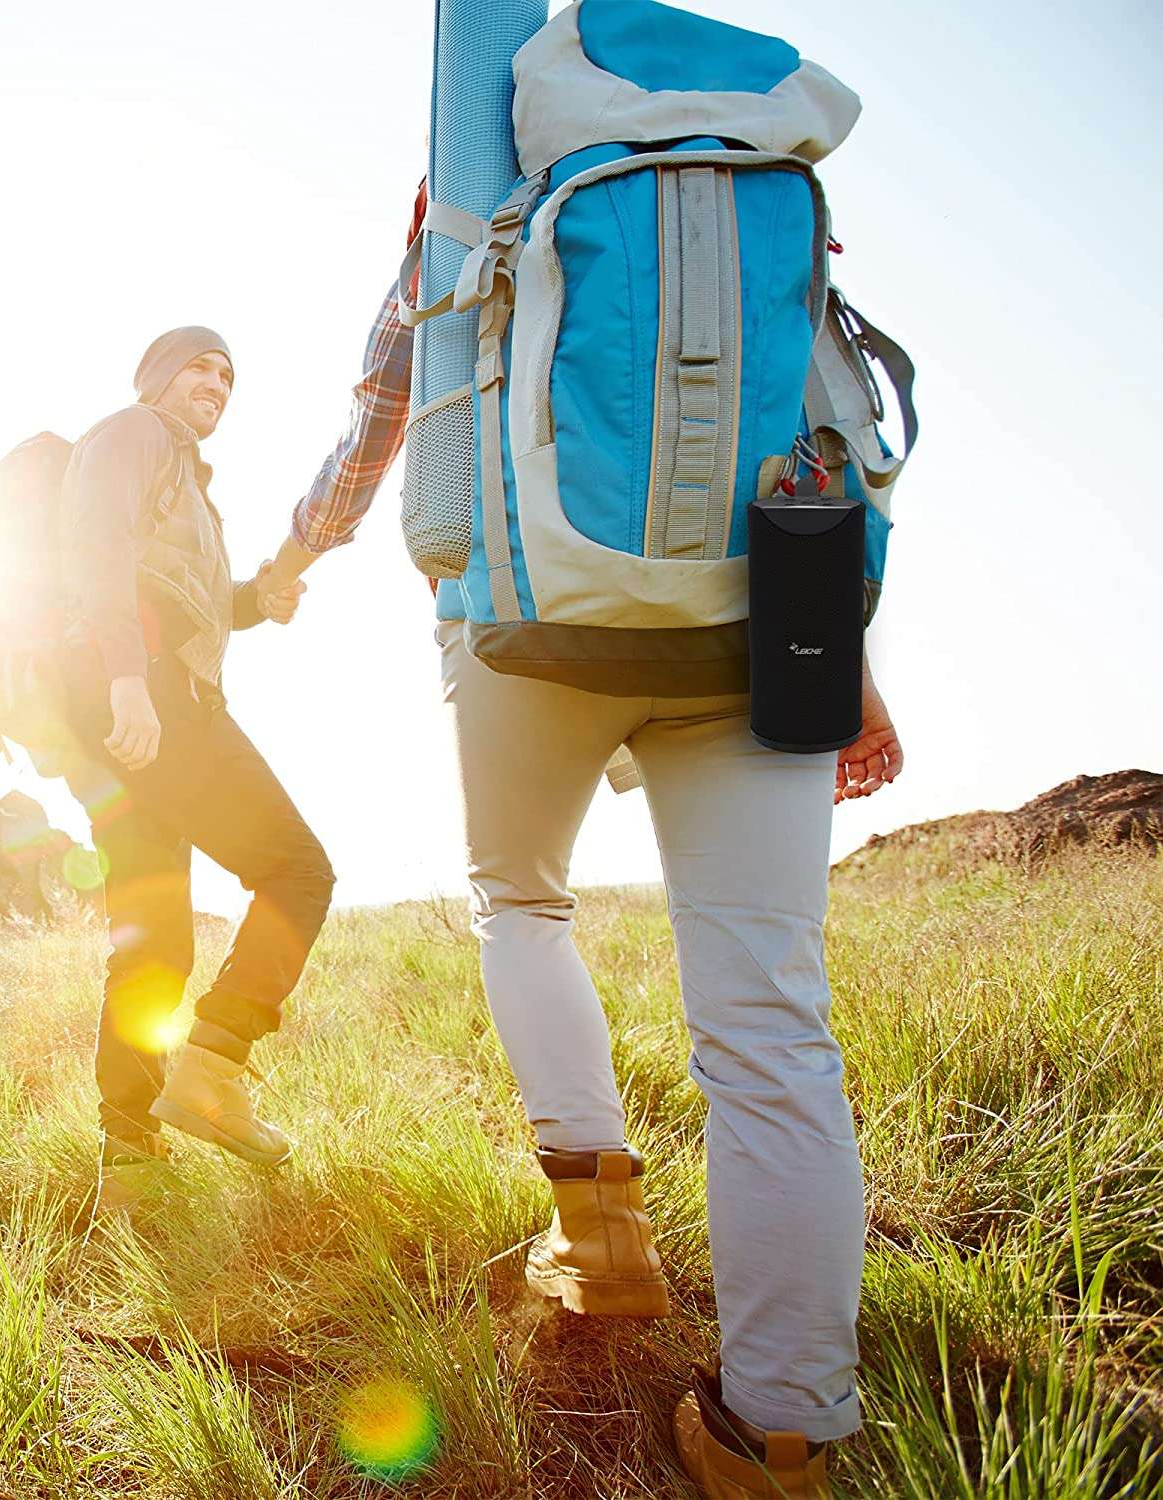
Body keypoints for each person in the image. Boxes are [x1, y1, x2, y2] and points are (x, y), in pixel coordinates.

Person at [259, 188, 904, 1497]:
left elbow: (384, 413)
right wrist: (856, 664)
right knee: (771, 1016)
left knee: (522, 901)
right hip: (768, 598)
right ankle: (777, 1441)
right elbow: (825, 423)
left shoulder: (466, 194)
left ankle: (599, 1231)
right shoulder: (754, 174)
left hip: (524, 604)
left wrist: (297, 552)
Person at [57, 325, 334, 1185]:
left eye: (227, 374)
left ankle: (130, 1154)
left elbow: (188, 595)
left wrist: (256, 599)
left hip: (119, 704)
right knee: (298, 873)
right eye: (199, 367)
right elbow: (95, 554)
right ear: (157, 378)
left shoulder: (184, 481)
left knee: (156, 944)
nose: (216, 382)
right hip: (149, 698)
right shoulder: (136, 434)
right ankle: (213, 1068)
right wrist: (128, 680)